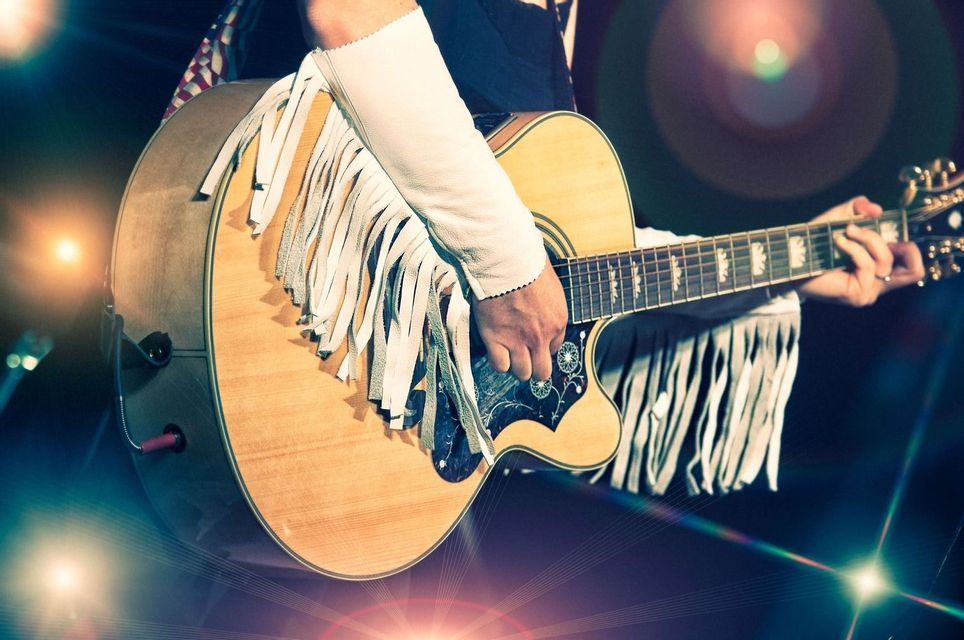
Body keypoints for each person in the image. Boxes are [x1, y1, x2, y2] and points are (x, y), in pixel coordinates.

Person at [170, 0, 925, 494]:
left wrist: (797, 265)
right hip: (239, 324)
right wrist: (509, 268)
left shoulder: (552, 15)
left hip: (382, 458)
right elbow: (347, 11)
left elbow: (558, 263)